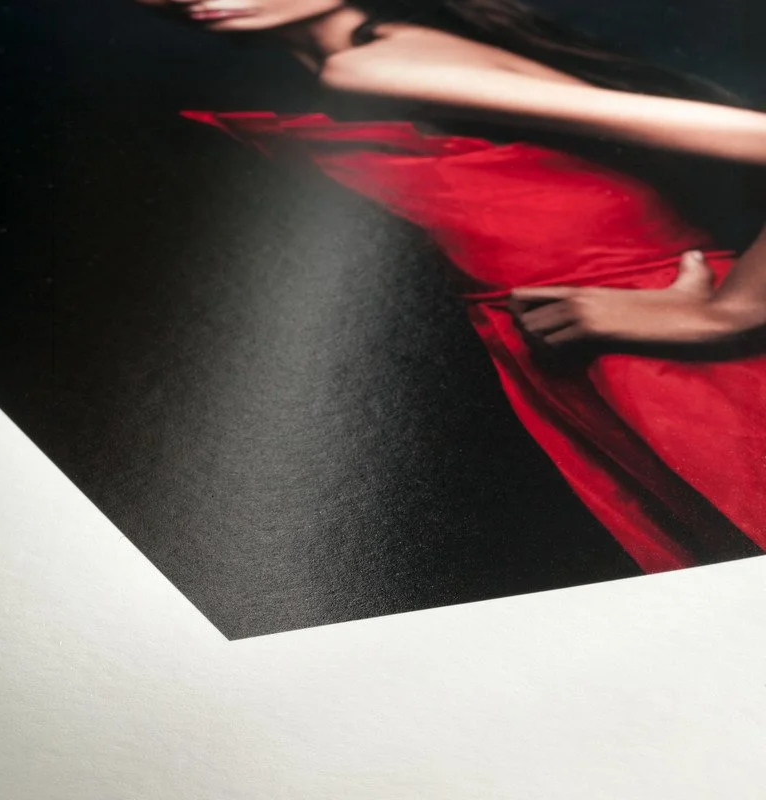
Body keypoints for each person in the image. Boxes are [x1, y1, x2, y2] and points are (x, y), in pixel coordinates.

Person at [134, 0, 766, 573]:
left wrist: (730, 312)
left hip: (656, 348)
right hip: (588, 347)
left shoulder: (376, 65)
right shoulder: (400, 47)